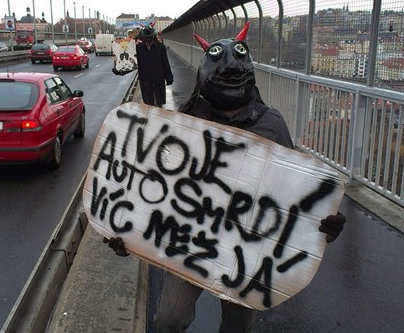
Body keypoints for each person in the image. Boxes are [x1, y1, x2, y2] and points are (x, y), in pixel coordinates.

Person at [105, 23, 346, 332]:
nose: (231, 68)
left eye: (238, 62)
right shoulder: (188, 120)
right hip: (189, 239)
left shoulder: (271, 125)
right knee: (168, 319)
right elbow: (157, 186)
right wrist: (128, 233)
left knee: (236, 325)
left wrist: (324, 219)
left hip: (244, 249)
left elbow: (294, 187)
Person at [113, 23, 174, 107]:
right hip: (146, 81)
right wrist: (120, 71)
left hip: (158, 80)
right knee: (148, 106)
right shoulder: (138, 49)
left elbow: (165, 63)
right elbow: (132, 64)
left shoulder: (160, 47)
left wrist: (169, 77)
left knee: (158, 105)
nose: (148, 40)